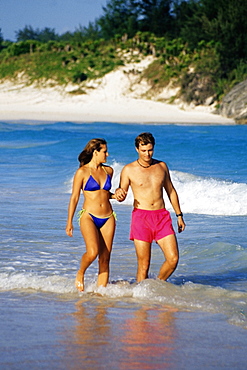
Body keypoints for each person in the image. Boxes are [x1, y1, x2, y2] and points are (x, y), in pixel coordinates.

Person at [115, 132, 185, 283]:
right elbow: (121, 192)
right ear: (137, 149)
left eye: (150, 150)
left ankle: (156, 285)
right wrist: (118, 193)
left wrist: (179, 215)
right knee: (144, 265)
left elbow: (171, 191)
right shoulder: (128, 169)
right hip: (141, 218)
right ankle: (142, 299)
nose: (147, 154)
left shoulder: (161, 166)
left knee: (173, 259)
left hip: (162, 217)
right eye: (143, 150)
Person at [66, 138, 117, 292]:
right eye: (104, 151)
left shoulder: (109, 171)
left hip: (108, 217)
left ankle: (101, 294)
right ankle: (81, 272)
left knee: (105, 258)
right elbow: (74, 197)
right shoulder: (82, 172)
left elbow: (105, 194)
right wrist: (69, 222)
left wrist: (117, 196)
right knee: (93, 251)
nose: (107, 154)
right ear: (95, 152)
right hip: (88, 216)